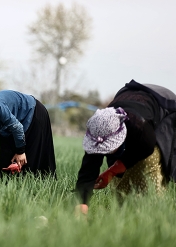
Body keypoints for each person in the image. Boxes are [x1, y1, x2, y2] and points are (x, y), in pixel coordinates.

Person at [75, 79, 176, 214]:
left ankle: (151, 212)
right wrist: (82, 204)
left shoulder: (139, 128)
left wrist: (112, 170)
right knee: (120, 180)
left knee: (149, 161)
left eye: (108, 147)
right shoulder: (98, 129)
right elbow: (88, 170)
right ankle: (123, 214)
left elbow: (146, 148)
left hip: (165, 109)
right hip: (131, 99)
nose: (104, 151)